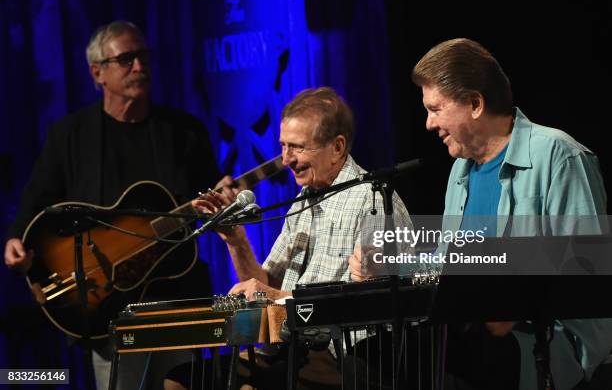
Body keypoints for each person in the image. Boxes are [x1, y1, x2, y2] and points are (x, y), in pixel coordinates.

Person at [3, 20, 228, 390]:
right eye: (126, 59)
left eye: (143, 56)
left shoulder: (184, 132)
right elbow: (37, 200)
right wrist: (16, 238)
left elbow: (210, 190)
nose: (139, 66)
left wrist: (221, 199)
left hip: (174, 295)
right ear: (98, 73)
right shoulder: (70, 136)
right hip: (107, 304)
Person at [164, 87, 413, 390]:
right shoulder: (303, 200)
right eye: (283, 146)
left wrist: (273, 297)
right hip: (289, 345)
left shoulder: (373, 201)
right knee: (180, 381)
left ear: (337, 147)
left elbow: (361, 307)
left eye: (296, 147)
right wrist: (236, 241)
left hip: (343, 359)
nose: (285, 160)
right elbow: (267, 283)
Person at [411, 38, 612, 389]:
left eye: (436, 108)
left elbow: (587, 267)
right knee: (393, 348)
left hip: (549, 344)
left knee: (439, 353)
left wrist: (518, 303)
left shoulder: (558, 155)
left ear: (475, 103)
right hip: (478, 340)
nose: (428, 124)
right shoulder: (460, 173)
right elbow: (447, 263)